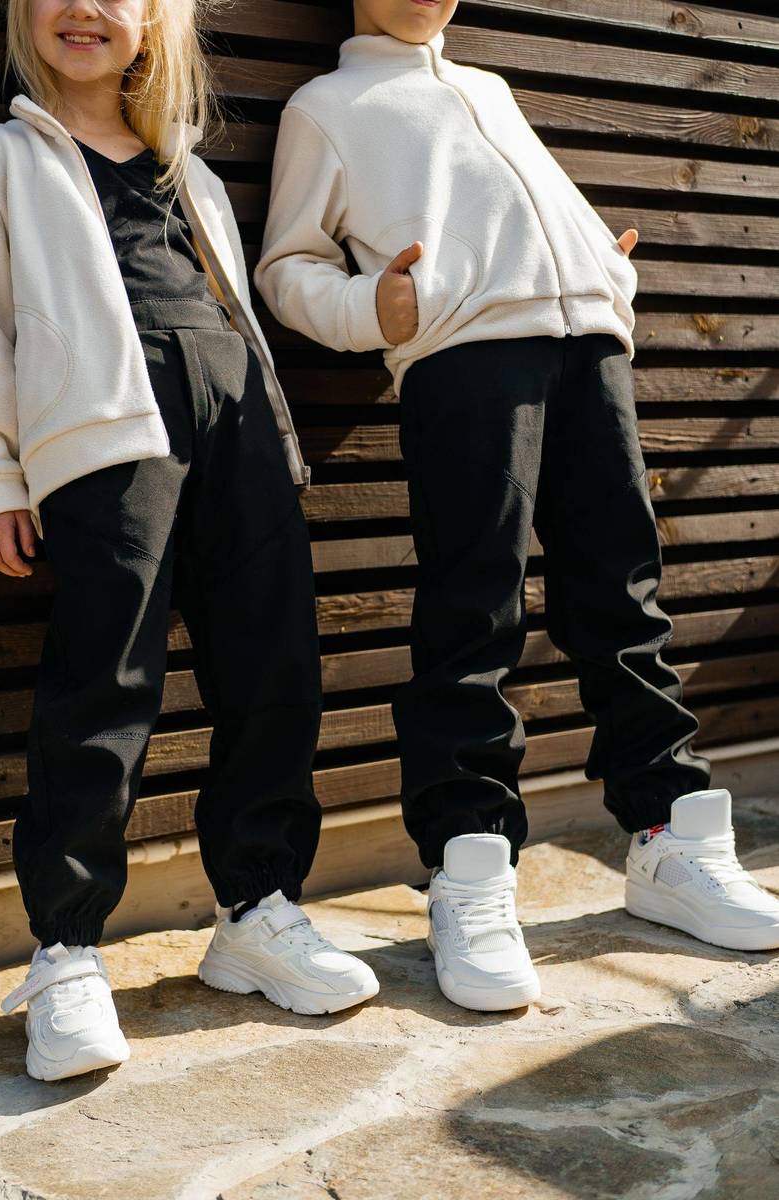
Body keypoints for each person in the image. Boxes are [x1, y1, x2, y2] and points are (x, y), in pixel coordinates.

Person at [254, 0, 779, 1013]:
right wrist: (372, 308)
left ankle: (669, 836)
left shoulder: (485, 87)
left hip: (589, 350)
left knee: (622, 597)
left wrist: (602, 269)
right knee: (474, 607)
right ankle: (470, 863)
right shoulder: (328, 105)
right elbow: (287, 266)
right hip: (463, 360)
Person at [0, 0, 379, 1083]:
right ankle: (67, 950)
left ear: (155, 23)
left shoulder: (194, 174)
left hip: (240, 431)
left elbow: (236, 319)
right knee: (105, 682)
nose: (84, 9)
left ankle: (256, 909)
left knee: (275, 672)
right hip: (107, 435)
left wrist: (274, 438)